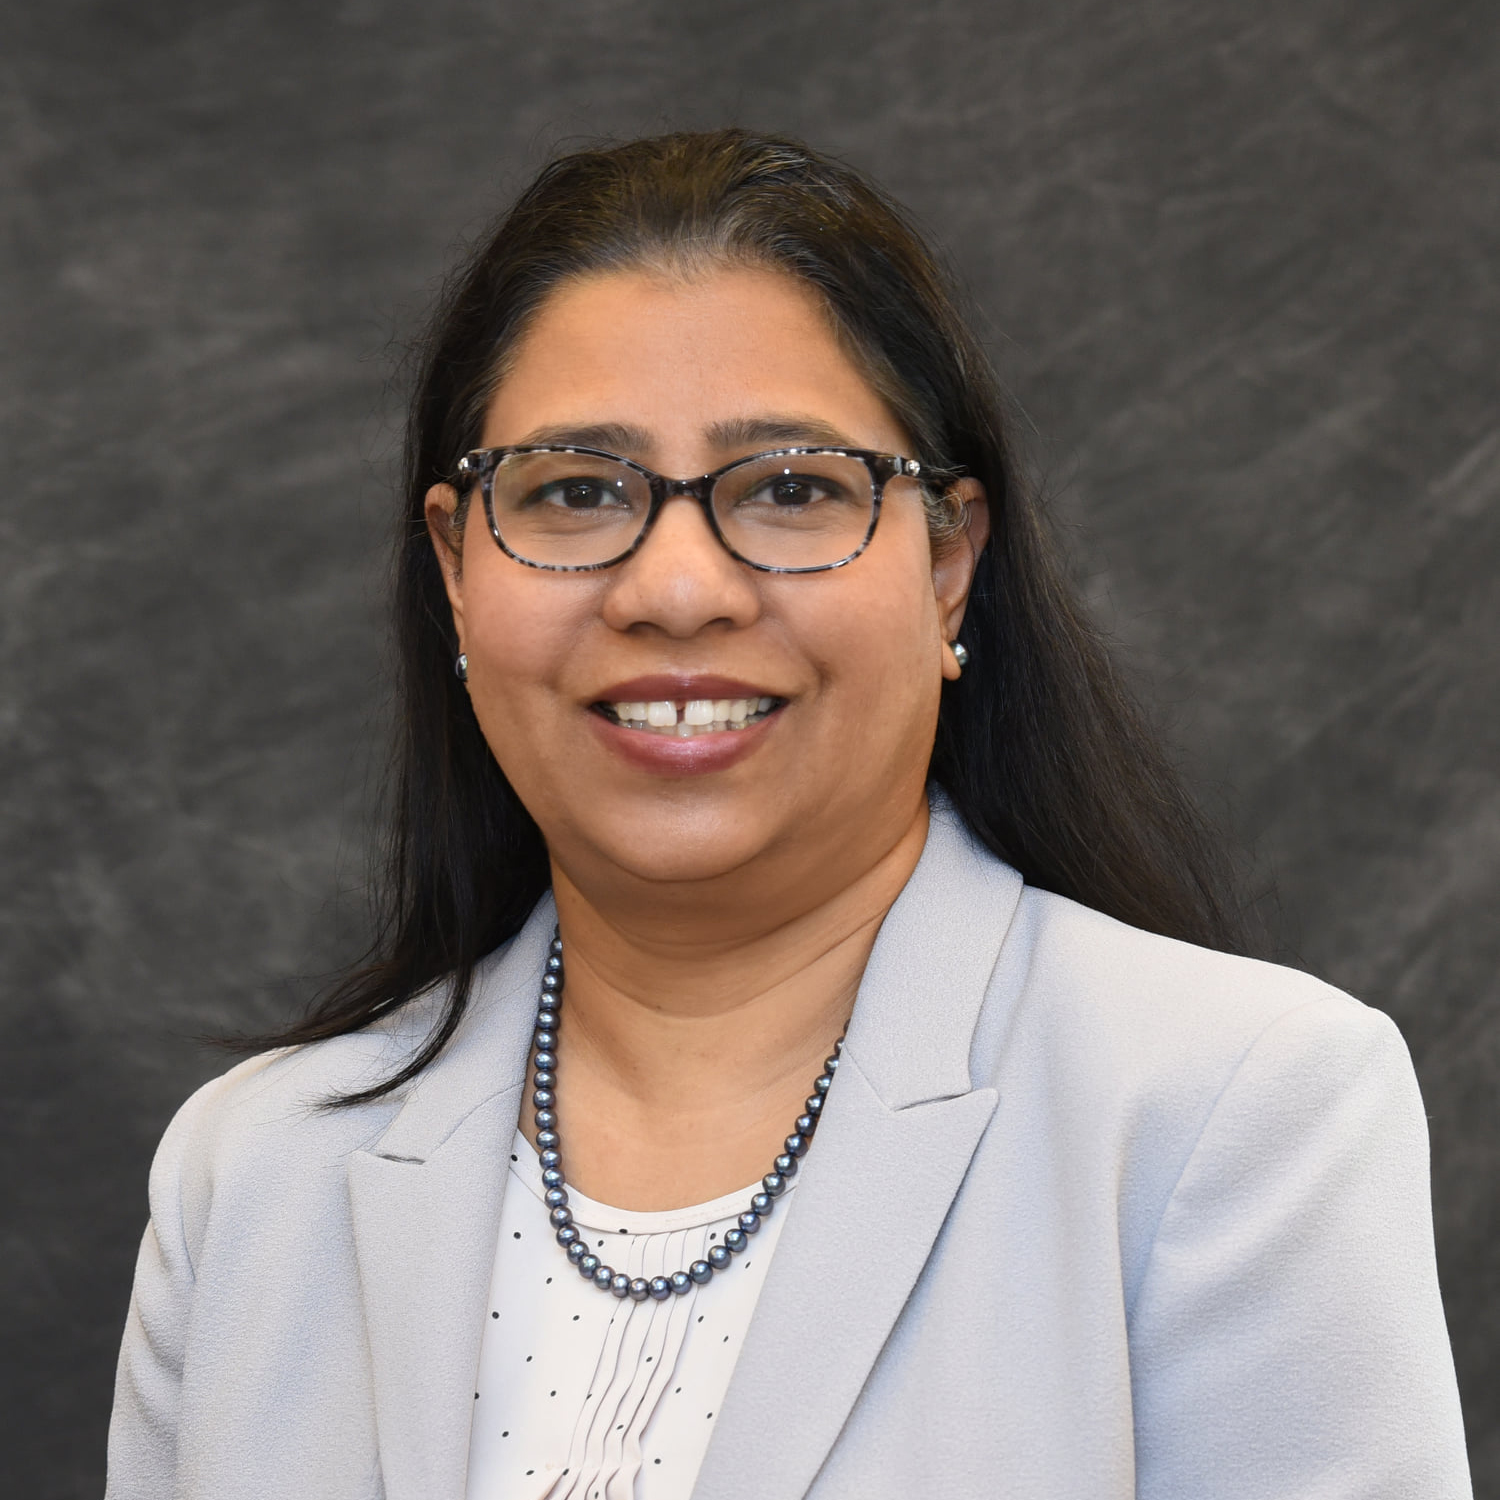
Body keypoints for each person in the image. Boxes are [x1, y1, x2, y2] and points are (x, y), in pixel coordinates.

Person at [105, 130, 1472, 1500]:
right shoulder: (256, 1177)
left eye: (792, 488)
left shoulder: (1229, 1112)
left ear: (948, 564)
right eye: (575, 491)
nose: (677, 590)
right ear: (458, 568)